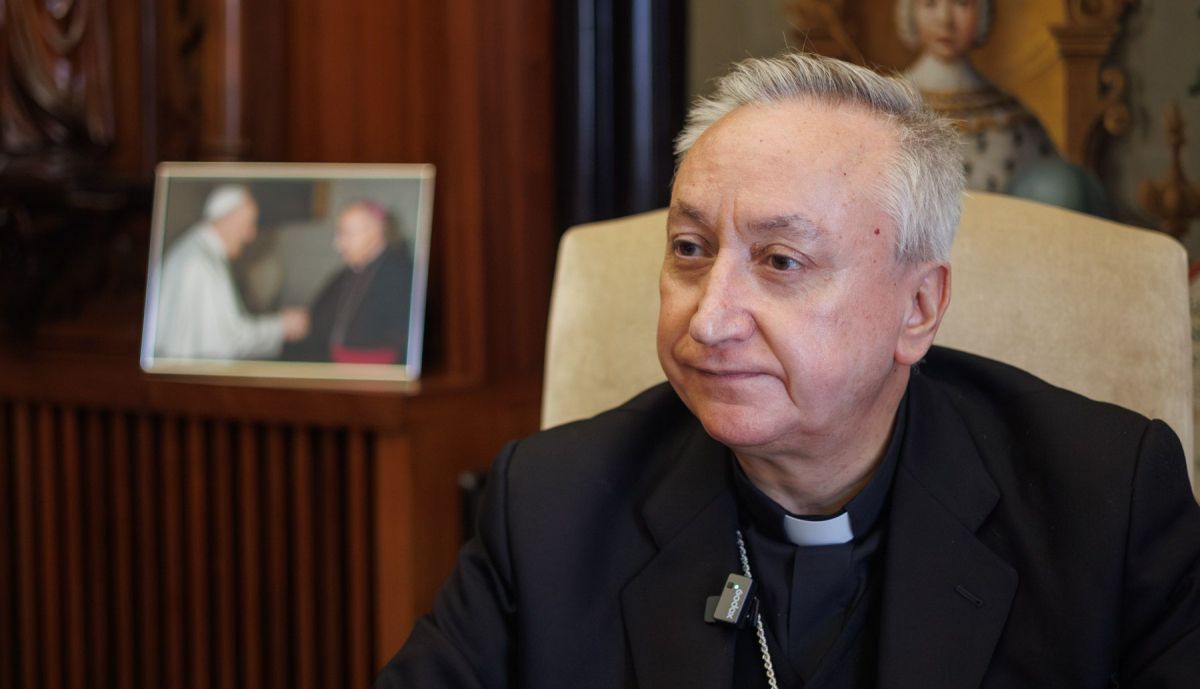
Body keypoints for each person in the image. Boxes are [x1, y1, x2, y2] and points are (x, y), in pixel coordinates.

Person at [376, 52, 1200, 687]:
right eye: (690, 250)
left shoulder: (1106, 502)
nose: (710, 317)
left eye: (781, 260)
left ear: (918, 309)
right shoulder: (550, 503)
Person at [897, 0, 1060, 194]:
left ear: (982, 12)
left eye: (962, 4)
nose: (945, 20)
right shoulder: (886, 104)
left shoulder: (1010, 116)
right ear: (910, 11)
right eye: (930, 3)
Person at [154, 185, 309, 359]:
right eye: (249, 224)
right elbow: (226, 341)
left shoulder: (193, 248)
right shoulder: (201, 263)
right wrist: (281, 326)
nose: (251, 234)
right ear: (227, 219)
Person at [282, 200, 411, 364]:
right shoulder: (348, 271)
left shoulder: (401, 274)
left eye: (346, 233)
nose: (337, 244)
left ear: (376, 231)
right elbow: (321, 313)